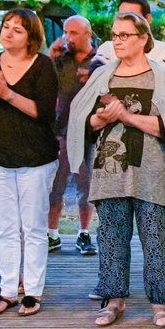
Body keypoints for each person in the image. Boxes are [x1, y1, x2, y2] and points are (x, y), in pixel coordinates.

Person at [68, 11, 165, 328]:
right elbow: (84, 120)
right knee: (111, 239)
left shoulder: (161, 78)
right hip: (109, 171)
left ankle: (160, 303)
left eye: (125, 35)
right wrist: (101, 119)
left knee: (154, 239)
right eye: (114, 35)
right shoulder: (102, 76)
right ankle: (114, 301)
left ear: (143, 38)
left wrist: (126, 117)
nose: (118, 41)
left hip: (152, 172)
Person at [0, 9, 59, 316]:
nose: (8, 33)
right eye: (5, 27)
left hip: (36, 158)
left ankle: (32, 291)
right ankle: (7, 290)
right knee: (5, 227)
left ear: (31, 37)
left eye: (17, 30)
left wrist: (8, 94)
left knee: (33, 227)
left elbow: (44, 113)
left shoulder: (43, 65)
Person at [46, 15, 99, 256]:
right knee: (55, 186)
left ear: (88, 34)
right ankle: (52, 234)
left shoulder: (100, 61)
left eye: (74, 33)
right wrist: (50, 55)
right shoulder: (60, 60)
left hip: (91, 133)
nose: (68, 37)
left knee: (86, 187)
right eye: (66, 32)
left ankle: (83, 233)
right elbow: (42, 82)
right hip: (63, 131)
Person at [91, 0, 165, 70]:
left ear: (147, 19)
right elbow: (96, 75)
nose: (124, 21)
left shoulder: (164, 50)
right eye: (121, 16)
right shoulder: (107, 48)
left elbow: (156, 78)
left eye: (131, 17)